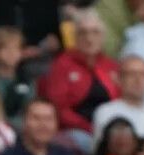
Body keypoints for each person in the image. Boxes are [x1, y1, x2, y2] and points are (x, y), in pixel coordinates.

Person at [38, 9, 118, 140]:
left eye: (95, 32)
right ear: (75, 38)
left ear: (103, 37)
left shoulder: (112, 66)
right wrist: (90, 128)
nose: (89, 38)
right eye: (83, 33)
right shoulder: (62, 65)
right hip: (76, 130)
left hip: (110, 130)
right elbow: (59, 108)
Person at [0, 26, 35, 125]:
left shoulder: (26, 80)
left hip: (21, 128)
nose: (11, 53)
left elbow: (30, 110)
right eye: (6, 49)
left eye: (16, 49)